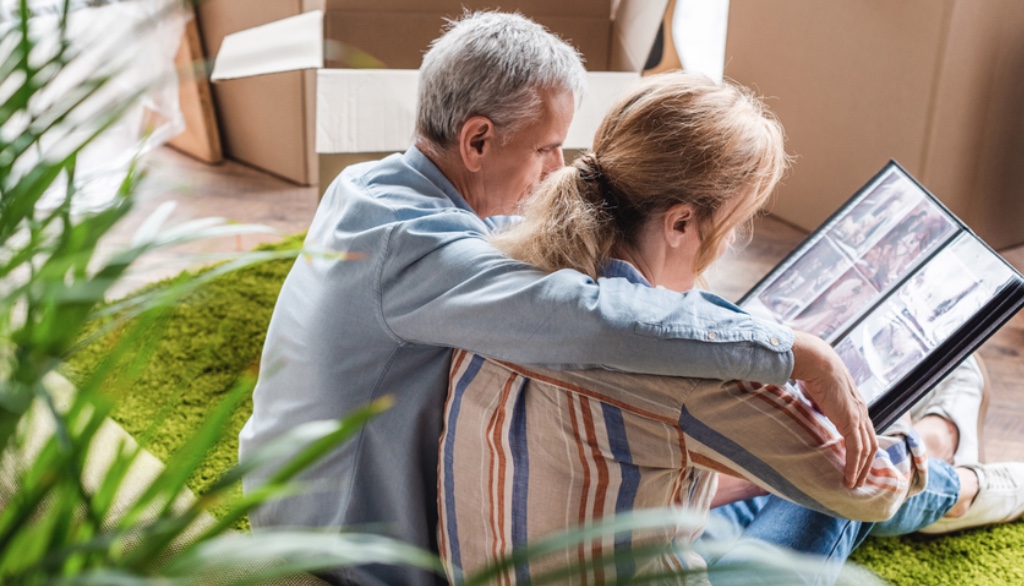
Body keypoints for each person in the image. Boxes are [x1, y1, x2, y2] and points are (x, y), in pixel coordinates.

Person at [242, 11, 870, 586]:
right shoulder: (420, 252)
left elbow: (521, 259)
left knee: (726, 491)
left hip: (288, 503)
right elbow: (591, 320)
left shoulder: (368, 186)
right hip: (344, 557)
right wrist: (795, 350)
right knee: (811, 496)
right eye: (545, 147)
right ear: (478, 141)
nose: (556, 167)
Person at [438, 73, 1024, 584]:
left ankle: (834, 458)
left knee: (753, 478)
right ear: (681, 222)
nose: (729, 246)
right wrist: (928, 445)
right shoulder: (691, 370)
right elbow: (867, 490)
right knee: (846, 482)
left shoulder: (499, 283)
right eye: (734, 225)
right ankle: (965, 467)